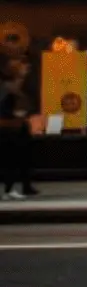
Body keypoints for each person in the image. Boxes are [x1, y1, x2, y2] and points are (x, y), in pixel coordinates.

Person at [0, 54, 32, 200]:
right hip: (9, 126)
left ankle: (10, 188)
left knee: (12, 159)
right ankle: (8, 189)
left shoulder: (10, 86)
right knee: (10, 159)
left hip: (11, 126)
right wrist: (15, 114)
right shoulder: (8, 87)